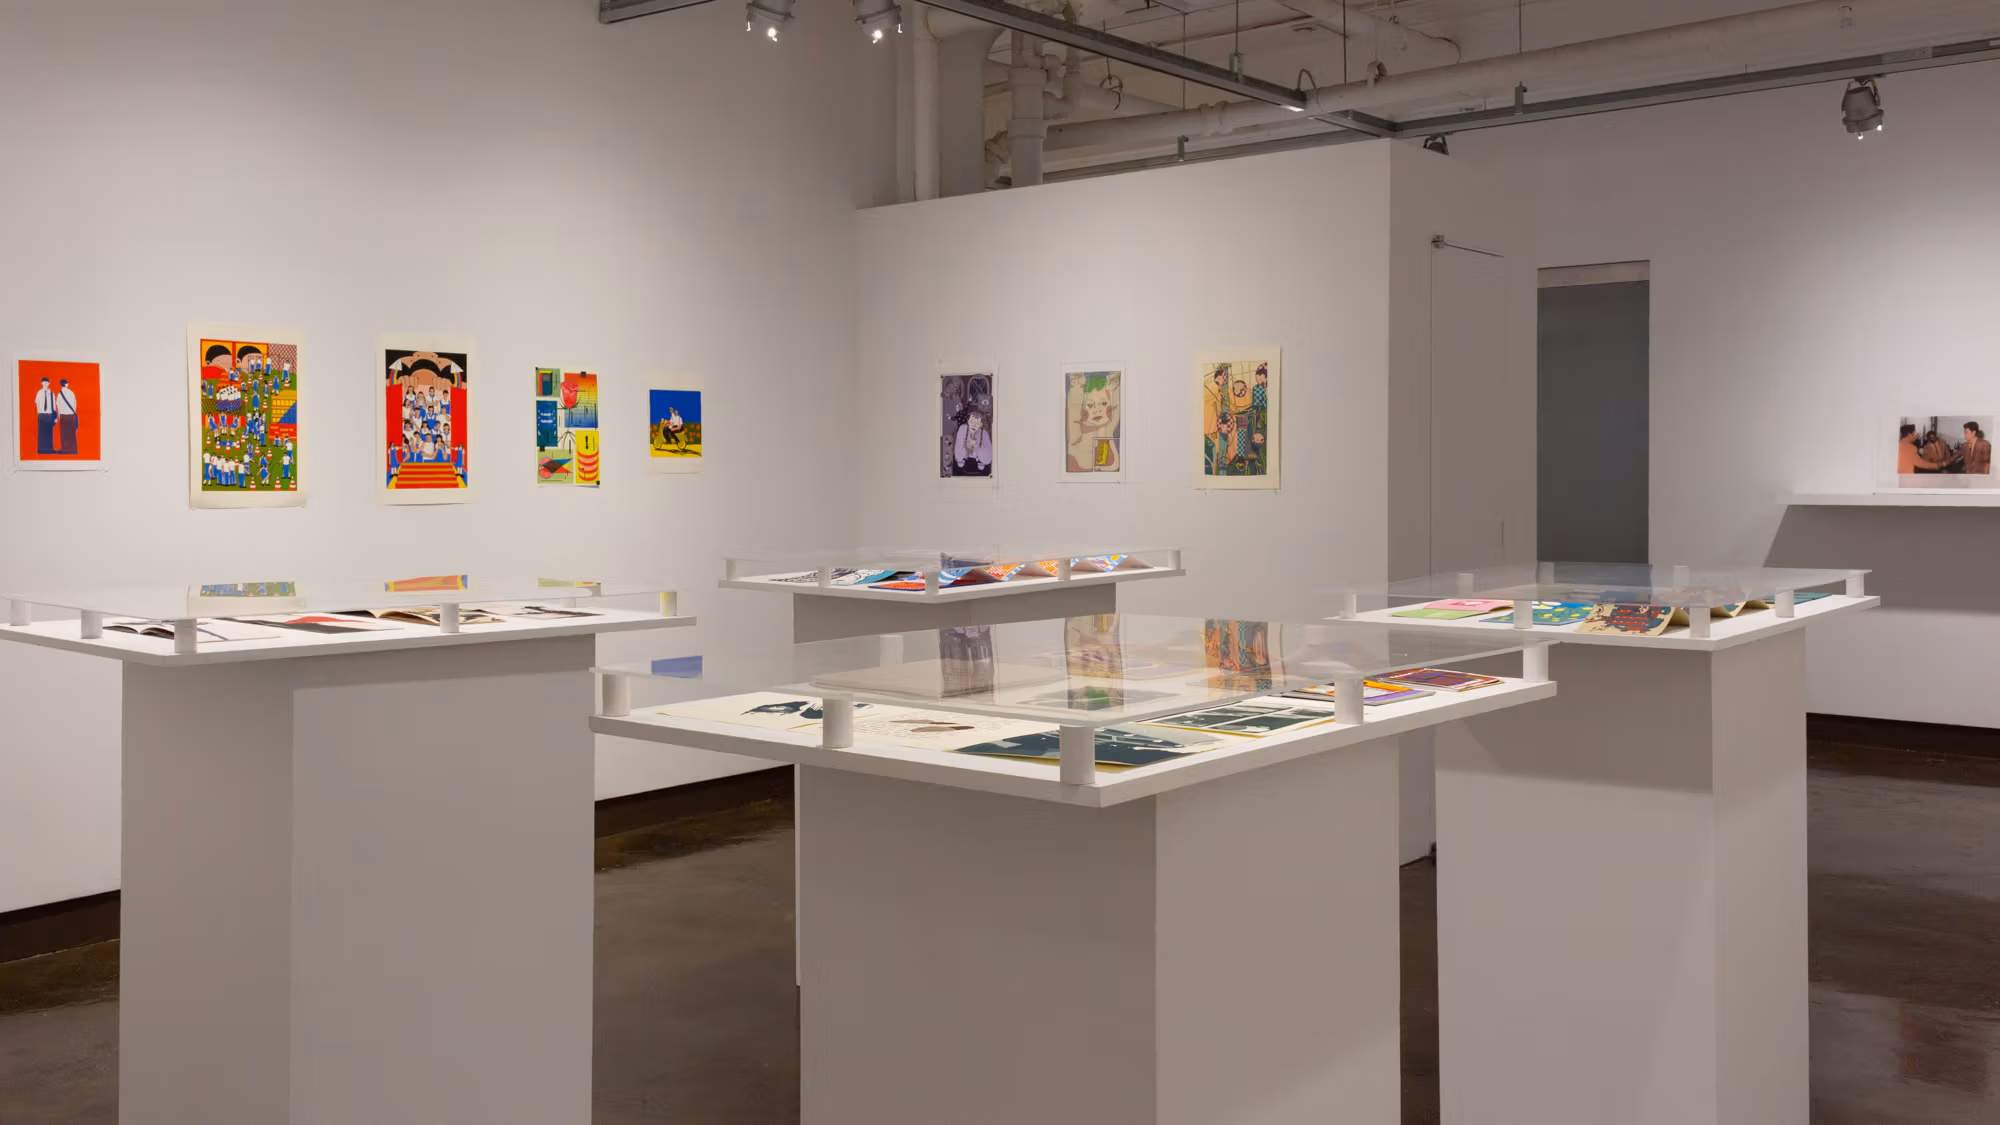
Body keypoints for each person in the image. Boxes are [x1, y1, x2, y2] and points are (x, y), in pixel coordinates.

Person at [953, 408, 993, 476]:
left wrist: (976, 447)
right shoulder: (963, 429)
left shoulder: (984, 433)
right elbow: (958, 447)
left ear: (981, 424)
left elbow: (989, 455)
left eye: (977, 423)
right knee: (959, 462)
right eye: (972, 421)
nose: (974, 425)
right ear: (968, 420)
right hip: (964, 459)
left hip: (979, 459)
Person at [31, 376, 56, 454]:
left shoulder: (51, 393)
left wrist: (55, 417)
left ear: (49, 383)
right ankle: (41, 450)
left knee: (49, 432)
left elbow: (54, 405)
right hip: (41, 415)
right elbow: (36, 403)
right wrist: (38, 413)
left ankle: (49, 449)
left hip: (49, 414)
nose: (45, 384)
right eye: (44, 382)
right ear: (41, 383)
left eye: (47, 382)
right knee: (42, 432)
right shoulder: (39, 392)